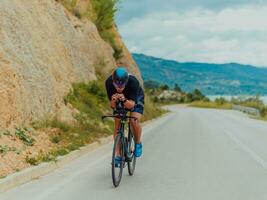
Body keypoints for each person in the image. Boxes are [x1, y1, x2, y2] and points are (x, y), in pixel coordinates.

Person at [105, 67, 144, 166]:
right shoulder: (109, 82)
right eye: (116, 84)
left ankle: (138, 143)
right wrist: (114, 100)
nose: (119, 87)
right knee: (117, 126)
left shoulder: (133, 82)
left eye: (122, 85)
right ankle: (118, 155)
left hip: (135, 97)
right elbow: (112, 106)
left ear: (126, 82)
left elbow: (131, 105)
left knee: (134, 121)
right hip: (120, 99)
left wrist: (124, 100)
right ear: (113, 81)